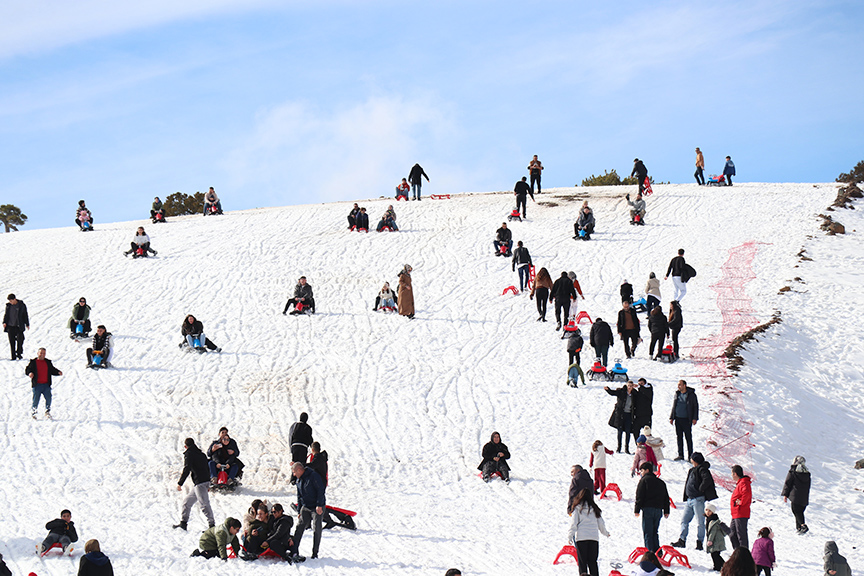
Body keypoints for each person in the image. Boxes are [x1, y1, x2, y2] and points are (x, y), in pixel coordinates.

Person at [671, 451, 718, 550]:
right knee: (684, 520)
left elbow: (707, 479)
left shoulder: (702, 469)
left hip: (698, 499)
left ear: (695, 460)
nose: (691, 460)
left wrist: (701, 489)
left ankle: (699, 542)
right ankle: (682, 540)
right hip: (690, 499)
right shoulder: (692, 470)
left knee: (700, 522)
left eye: (692, 458)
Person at [174, 438, 215, 530]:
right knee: (187, 502)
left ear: (186, 446)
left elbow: (187, 469)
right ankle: (183, 523)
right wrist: (209, 482)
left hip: (200, 483)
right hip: (202, 482)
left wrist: (180, 483)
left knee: (204, 505)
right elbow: (207, 468)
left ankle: (212, 526)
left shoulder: (189, 454)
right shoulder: (202, 454)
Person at [567, 488, 609, 576]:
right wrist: (605, 533)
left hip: (581, 538)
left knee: (582, 563)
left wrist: (570, 536)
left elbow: (574, 524)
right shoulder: (595, 509)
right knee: (593, 562)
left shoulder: (578, 509)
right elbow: (601, 523)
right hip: (593, 538)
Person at [291, 462, 326, 559]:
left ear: (299, 470)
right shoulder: (299, 480)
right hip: (306, 506)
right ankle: (294, 550)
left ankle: (315, 553)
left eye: (294, 472)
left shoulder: (313, 476)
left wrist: (319, 505)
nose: (294, 475)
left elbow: (320, 490)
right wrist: (299, 510)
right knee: (299, 527)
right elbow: (299, 496)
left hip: (316, 506)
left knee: (317, 528)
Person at [634, 461, 670, 553]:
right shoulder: (661, 482)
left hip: (648, 509)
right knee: (655, 532)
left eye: (642, 471)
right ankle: (658, 552)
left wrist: (637, 509)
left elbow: (640, 496)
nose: (641, 473)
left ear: (647, 470)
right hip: (658, 510)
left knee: (648, 532)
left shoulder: (644, 481)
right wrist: (666, 510)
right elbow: (666, 497)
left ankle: (650, 553)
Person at [26, 347, 62, 419]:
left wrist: (58, 372)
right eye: (41, 353)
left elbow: (52, 369)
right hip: (37, 385)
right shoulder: (33, 362)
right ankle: (34, 412)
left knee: (49, 398)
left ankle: (47, 411)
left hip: (46, 385)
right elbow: (28, 369)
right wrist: (30, 373)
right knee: (36, 400)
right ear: (37, 353)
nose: (42, 354)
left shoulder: (47, 362)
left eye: (44, 353)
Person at [605, 381, 639, 453]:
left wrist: (638, 387)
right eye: (628, 386)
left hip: (629, 415)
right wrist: (608, 389)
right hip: (620, 414)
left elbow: (641, 396)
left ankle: (627, 448)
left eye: (631, 386)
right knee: (620, 431)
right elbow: (613, 393)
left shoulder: (634, 394)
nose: (629, 387)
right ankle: (619, 447)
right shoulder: (621, 392)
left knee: (628, 432)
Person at [781, 455, 811, 533]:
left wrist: (785, 494)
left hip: (795, 495)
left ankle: (803, 525)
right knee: (800, 511)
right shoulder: (807, 473)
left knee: (796, 511)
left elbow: (788, 483)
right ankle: (799, 528)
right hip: (804, 497)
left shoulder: (793, 471)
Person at [669, 380, 699, 461]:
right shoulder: (677, 394)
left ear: (684, 385)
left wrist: (695, 418)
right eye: (678, 385)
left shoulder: (691, 395)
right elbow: (674, 405)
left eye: (680, 385)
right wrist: (672, 417)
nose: (678, 386)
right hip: (678, 419)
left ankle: (690, 456)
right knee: (679, 437)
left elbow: (695, 406)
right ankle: (680, 454)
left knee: (688, 438)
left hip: (687, 419)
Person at [729, 465, 752, 550]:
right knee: (732, 533)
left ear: (735, 474)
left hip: (741, 512)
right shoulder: (740, 483)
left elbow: (746, 494)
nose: (731, 476)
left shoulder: (744, 483)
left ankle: (744, 554)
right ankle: (737, 552)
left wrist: (741, 502)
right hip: (736, 513)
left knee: (741, 535)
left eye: (732, 474)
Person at [3, 293, 29, 360]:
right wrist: (4, 322)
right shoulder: (8, 306)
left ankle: (19, 353)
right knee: (12, 341)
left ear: (14, 299)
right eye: (9, 301)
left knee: (20, 339)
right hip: (10, 326)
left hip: (18, 326)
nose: (10, 302)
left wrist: (27, 324)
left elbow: (25, 315)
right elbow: (6, 315)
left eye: (11, 301)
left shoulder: (21, 305)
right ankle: (13, 356)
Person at [704, 502, 728, 571]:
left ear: (713, 512)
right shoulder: (709, 519)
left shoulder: (713, 521)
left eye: (710, 511)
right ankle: (724, 566)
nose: (708, 512)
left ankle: (718, 566)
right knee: (715, 554)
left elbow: (713, 532)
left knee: (715, 554)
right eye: (706, 510)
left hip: (716, 540)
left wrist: (710, 540)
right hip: (716, 540)